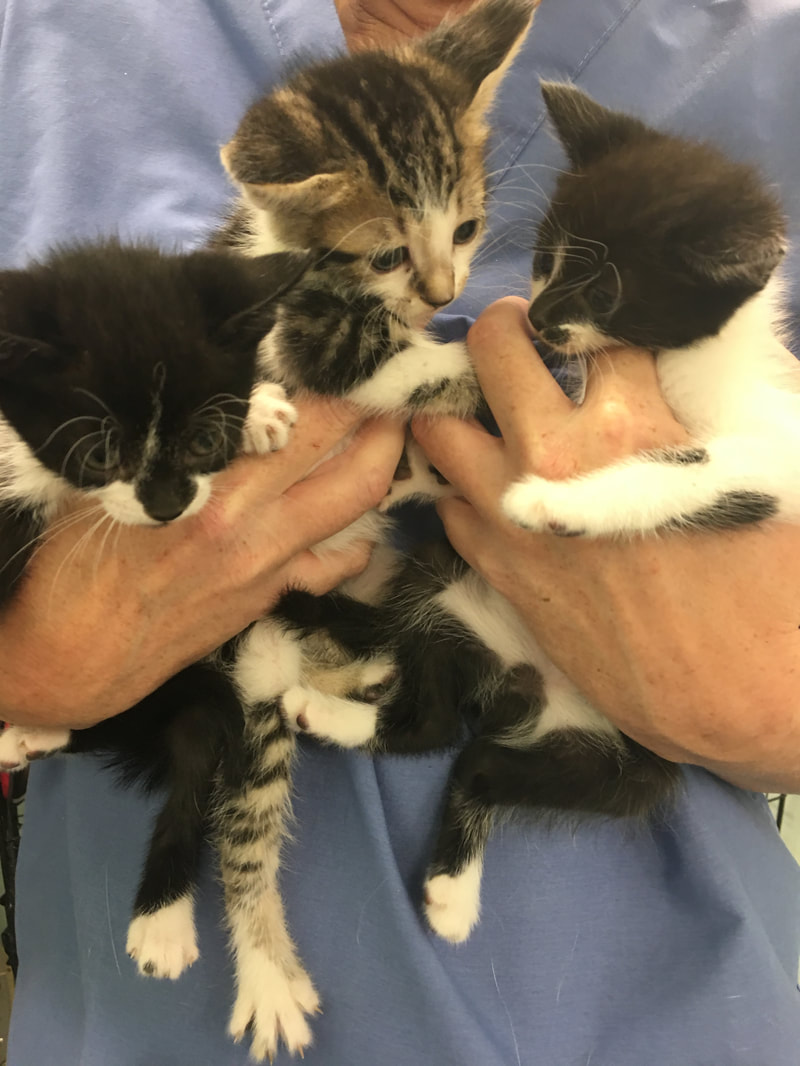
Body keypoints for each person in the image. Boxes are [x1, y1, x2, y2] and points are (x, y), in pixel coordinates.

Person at [3, 1, 799, 1063]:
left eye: (472, 233)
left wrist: (773, 699)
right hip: (159, 1000)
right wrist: (24, 662)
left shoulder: (763, 57)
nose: (447, 285)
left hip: (665, 1008)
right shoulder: (46, 34)